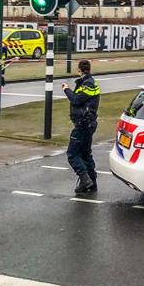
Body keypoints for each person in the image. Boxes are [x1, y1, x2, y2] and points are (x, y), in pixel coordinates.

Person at [61, 60, 101, 194]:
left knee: (72, 154)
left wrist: (66, 89)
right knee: (85, 154)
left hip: (83, 124)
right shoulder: (92, 82)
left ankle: (85, 179)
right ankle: (92, 182)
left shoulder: (87, 84)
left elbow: (77, 100)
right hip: (89, 123)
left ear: (79, 70)